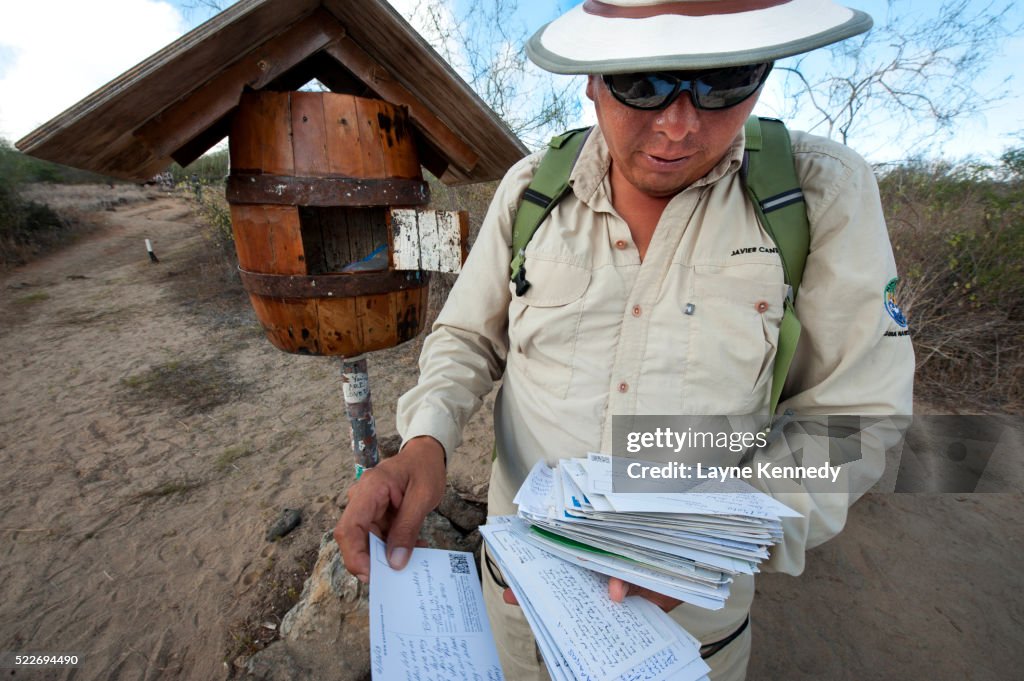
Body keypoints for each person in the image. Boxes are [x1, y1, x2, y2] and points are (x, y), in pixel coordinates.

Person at [335, 1, 915, 679]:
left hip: (687, 635)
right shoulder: (531, 192)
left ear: (765, 72)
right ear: (591, 78)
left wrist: (705, 544)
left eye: (725, 81)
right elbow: (465, 337)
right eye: (642, 81)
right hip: (518, 613)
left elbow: (854, 422)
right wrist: (425, 441)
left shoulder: (822, 196)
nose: (679, 123)